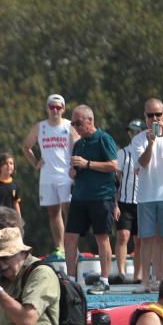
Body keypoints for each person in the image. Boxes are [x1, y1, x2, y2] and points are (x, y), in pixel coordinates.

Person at [64, 104, 118, 293]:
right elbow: (76, 171)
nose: (76, 127)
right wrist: (73, 171)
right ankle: (70, 279)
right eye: (73, 123)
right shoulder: (78, 144)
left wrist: (87, 164)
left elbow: (113, 165)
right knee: (69, 237)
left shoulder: (104, 138)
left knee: (102, 237)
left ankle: (104, 279)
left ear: (89, 120)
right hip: (79, 197)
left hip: (101, 196)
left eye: (78, 123)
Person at [23, 94, 78, 258]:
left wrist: (75, 167)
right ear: (47, 108)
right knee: (53, 212)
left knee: (68, 210)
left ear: (63, 109)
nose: (55, 110)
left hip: (66, 175)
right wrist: (35, 162)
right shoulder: (41, 127)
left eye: (58, 107)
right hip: (47, 176)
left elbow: (78, 146)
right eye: (52, 107)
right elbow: (27, 147)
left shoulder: (70, 126)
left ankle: (72, 245)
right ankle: (59, 247)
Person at [132, 98, 163, 294]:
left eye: (158, 114)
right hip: (147, 196)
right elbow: (143, 163)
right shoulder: (139, 139)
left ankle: (162, 282)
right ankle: (145, 282)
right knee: (146, 239)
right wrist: (151, 144)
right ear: (145, 117)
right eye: (150, 115)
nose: (155, 119)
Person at [116, 120, 143, 284]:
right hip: (125, 201)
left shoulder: (147, 151)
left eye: (136, 131)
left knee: (139, 239)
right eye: (131, 131)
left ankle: (138, 275)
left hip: (141, 201)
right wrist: (114, 202)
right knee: (123, 235)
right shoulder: (123, 153)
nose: (133, 134)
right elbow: (116, 179)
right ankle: (121, 271)